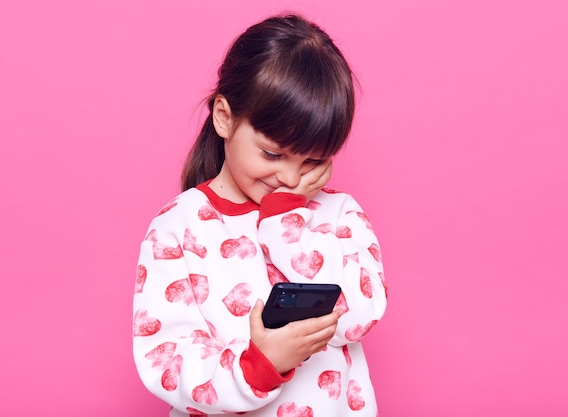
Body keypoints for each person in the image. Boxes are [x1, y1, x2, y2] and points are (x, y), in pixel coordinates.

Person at [133, 14, 388, 417]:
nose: (289, 176)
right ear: (224, 117)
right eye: (272, 154)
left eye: (312, 160)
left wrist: (285, 219)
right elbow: (165, 360)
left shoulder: (340, 216)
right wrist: (259, 366)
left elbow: (357, 317)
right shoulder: (176, 228)